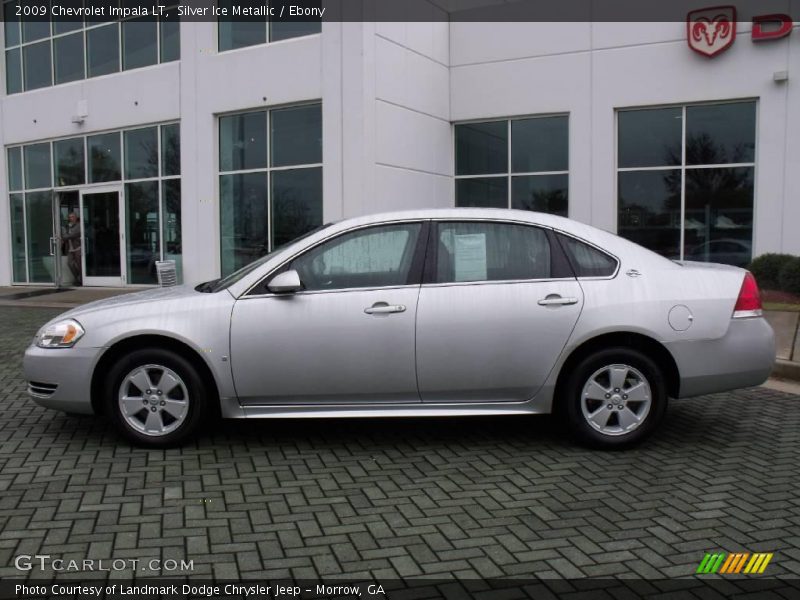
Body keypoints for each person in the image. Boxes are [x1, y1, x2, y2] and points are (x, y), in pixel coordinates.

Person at [62, 212, 82, 286]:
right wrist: (65, 235)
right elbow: (64, 235)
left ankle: (82, 279)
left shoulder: (79, 225)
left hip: (77, 247)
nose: (71, 218)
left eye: (73, 217)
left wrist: (66, 235)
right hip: (70, 248)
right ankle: (78, 277)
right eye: (70, 217)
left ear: (76, 217)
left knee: (79, 264)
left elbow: (72, 235)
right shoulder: (67, 226)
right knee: (70, 263)